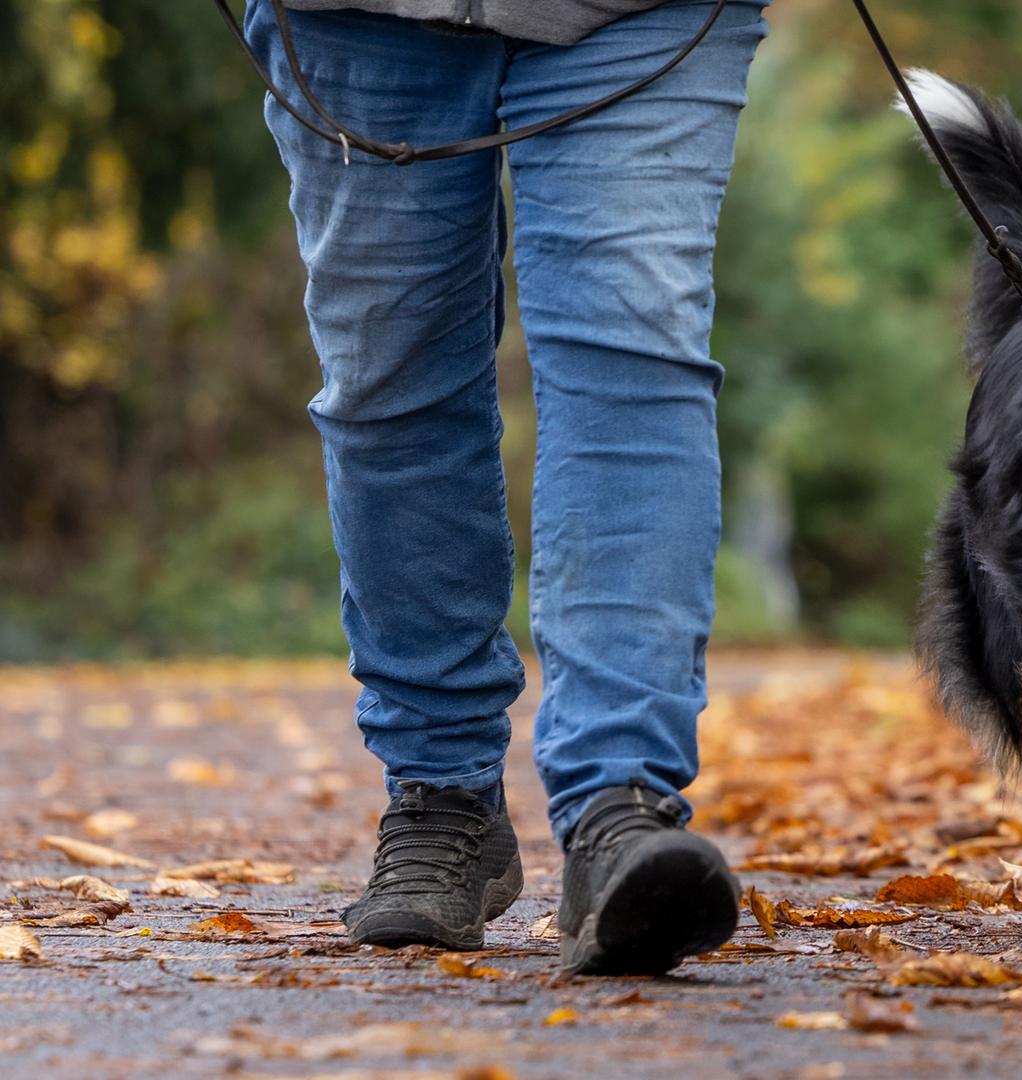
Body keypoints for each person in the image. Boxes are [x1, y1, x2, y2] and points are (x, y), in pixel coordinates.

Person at [245, 0, 768, 975]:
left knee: (636, 349)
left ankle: (622, 796)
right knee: (388, 377)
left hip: (643, 13)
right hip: (355, 15)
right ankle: (442, 791)